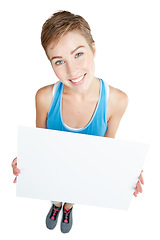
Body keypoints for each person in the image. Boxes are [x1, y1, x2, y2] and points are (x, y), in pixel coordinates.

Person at [12, 10, 144, 234]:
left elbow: (106, 151)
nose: (72, 71)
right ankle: (55, 206)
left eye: (79, 54)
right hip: (55, 169)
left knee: (74, 192)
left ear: (93, 48)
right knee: (56, 192)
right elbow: (40, 146)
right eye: (59, 61)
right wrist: (25, 163)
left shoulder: (117, 101)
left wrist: (125, 173)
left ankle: (68, 208)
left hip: (83, 174)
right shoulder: (44, 98)